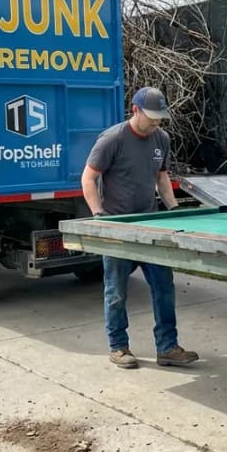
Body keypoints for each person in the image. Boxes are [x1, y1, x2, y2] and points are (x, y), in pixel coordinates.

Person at [81, 87, 199, 370]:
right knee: (116, 291)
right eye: (152, 117)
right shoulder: (113, 139)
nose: (156, 122)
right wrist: (100, 216)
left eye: (160, 117)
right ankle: (118, 347)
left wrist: (172, 209)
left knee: (164, 288)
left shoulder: (162, 138)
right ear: (135, 110)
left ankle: (168, 347)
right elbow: (88, 178)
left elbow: (162, 178)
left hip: (151, 226)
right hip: (119, 228)